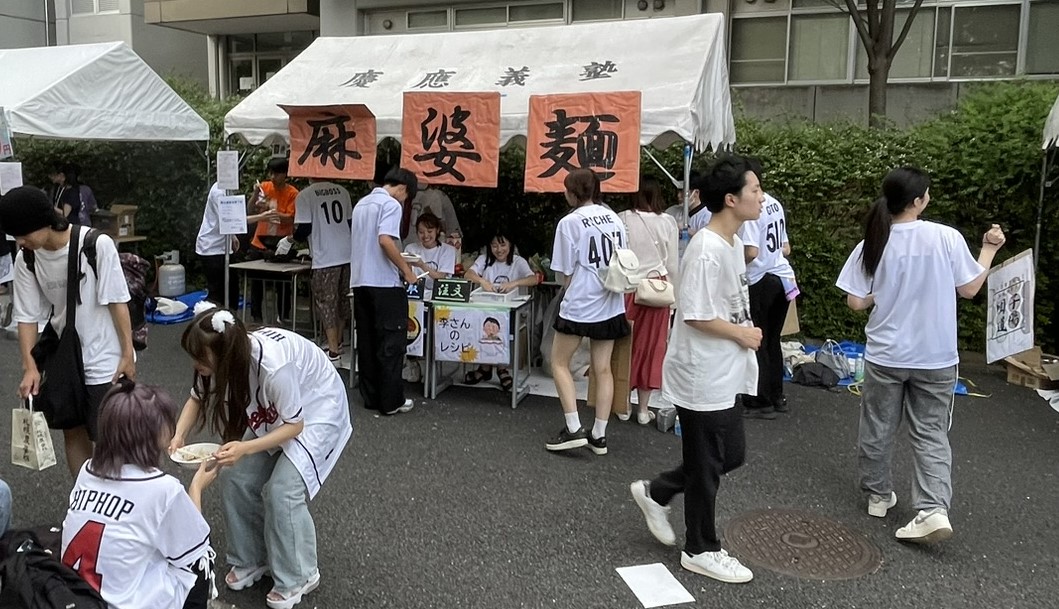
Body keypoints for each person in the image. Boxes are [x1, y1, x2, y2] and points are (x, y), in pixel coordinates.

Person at [835, 166, 1005, 544]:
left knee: (878, 425)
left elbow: (855, 302)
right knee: (930, 432)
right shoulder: (945, 237)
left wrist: (881, 294)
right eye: (927, 193)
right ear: (918, 201)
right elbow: (970, 288)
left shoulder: (873, 241)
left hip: (886, 354)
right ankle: (931, 509)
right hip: (936, 356)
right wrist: (990, 249)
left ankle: (878, 496)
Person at [629, 155, 762, 584]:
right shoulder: (707, 249)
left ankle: (658, 491)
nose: (762, 197)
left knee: (729, 456)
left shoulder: (729, 242)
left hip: (723, 370)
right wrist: (741, 335)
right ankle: (701, 548)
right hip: (702, 373)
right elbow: (697, 315)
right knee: (707, 465)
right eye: (755, 190)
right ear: (730, 198)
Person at [173, 307, 353, 609]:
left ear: (225, 352)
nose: (196, 364)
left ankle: (300, 574)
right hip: (280, 410)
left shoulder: (272, 366)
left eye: (201, 358)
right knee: (234, 474)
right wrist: (178, 436)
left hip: (318, 408)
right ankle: (251, 559)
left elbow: (295, 425)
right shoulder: (231, 354)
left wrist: (243, 448)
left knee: (283, 490)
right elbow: (198, 396)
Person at [1, 186, 135, 478]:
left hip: (105, 357)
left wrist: (128, 354)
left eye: (24, 234)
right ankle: (84, 501)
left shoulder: (95, 245)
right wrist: (30, 367)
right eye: (16, 237)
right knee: (72, 432)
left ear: (44, 220)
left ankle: (119, 512)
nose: (21, 242)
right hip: (65, 357)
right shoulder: (27, 258)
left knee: (110, 438)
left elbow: (117, 301)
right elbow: (27, 317)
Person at [61, 381, 217, 609]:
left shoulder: (87, 469)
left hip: (77, 594)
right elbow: (195, 547)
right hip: (122, 603)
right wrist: (196, 489)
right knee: (200, 564)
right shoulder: (163, 489)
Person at [545, 169, 630, 456]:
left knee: (559, 362)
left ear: (572, 192)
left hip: (581, 303)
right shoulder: (613, 218)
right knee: (602, 368)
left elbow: (564, 272)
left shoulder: (569, 223)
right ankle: (599, 435)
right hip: (611, 302)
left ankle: (573, 428)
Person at [349, 168, 420, 416]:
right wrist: (406, 270)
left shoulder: (361, 204)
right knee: (391, 343)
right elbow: (385, 240)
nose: (404, 201)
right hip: (384, 284)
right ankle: (391, 401)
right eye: (406, 197)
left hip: (360, 281)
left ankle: (371, 397)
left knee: (367, 341)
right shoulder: (390, 204)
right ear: (402, 189)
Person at [618, 177, 679, 425]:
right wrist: (674, 302)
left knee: (624, 346)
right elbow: (673, 263)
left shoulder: (622, 218)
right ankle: (643, 410)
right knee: (652, 348)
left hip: (629, 287)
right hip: (658, 289)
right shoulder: (668, 222)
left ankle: (622, 405)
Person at [739, 162, 796, 419]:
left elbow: (751, 252)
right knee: (773, 340)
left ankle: (760, 400)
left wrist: (731, 263)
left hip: (761, 279)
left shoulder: (753, 208)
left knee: (758, 341)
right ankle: (777, 395)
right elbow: (786, 248)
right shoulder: (774, 203)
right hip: (783, 277)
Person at [462, 229, 536, 392]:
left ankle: (499, 367)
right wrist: (482, 281)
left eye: (502, 245)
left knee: (499, 327)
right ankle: (486, 366)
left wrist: (514, 283)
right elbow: (468, 274)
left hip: (510, 311)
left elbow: (533, 279)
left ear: (510, 245)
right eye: (494, 245)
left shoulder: (518, 261)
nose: (499, 250)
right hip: (485, 309)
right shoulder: (484, 259)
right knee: (483, 325)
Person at [293, 179, 353, 362]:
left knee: (326, 303)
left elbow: (303, 229)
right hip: (347, 253)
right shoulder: (342, 190)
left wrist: (290, 237)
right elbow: (350, 223)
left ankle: (333, 349)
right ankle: (339, 341)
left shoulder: (305, 195)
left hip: (324, 256)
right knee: (344, 299)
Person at [247, 158, 298, 324]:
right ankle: (256, 317)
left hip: (280, 243)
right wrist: (255, 194)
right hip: (260, 241)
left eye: (276, 173)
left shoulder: (293, 194)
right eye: (270, 173)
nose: (272, 176)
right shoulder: (264, 187)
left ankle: (283, 316)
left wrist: (272, 212)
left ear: (285, 174)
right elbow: (250, 210)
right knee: (256, 282)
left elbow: (291, 218)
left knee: (283, 284)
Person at [195, 182, 241, 309]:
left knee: (232, 288)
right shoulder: (218, 192)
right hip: (211, 247)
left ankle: (231, 321)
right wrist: (262, 217)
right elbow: (229, 219)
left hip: (224, 245)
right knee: (217, 292)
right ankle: (208, 322)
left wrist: (232, 235)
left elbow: (229, 221)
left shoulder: (228, 189)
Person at [404, 180, 463, 248]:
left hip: (435, 244)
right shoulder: (405, 195)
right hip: (411, 242)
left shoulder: (436, 195)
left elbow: (447, 223)